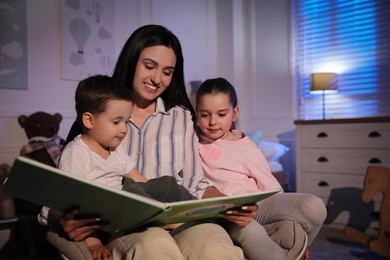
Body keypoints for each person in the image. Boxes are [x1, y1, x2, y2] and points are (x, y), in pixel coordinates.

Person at [46, 25, 253, 260]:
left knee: (213, 243)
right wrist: (62, 219)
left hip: (178, 219)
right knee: (154, 245)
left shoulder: (182, 117)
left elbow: (195, 182)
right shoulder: (99, 119)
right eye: (149, 66)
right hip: (128, 227)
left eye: (167, 71)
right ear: (132, 61)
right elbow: (59, 191)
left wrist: (231, 206)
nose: (157, 79)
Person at [54, 75, 197, 259]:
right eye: (116, 122)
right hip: (100, 222)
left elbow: (140, 180)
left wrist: (155, 200)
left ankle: (176, 214)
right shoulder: (76, 154)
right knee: (133, 197)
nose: (124, 129)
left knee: (161, 186)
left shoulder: (115, 150)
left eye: (126, 121)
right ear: (89, 120)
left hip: (121, 212)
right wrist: (94, 242)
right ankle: (162, 221)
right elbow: (75, 207)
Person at [195, 77, 327, 260]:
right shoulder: (193, 141)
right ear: (196, 114)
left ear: (235, 113)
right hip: (228, 213)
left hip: (259, 205)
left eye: (221, 114)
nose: (212, 122)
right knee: (254, 233)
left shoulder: (246, 146)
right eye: (204, 115)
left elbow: (270, 187)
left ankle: (300, 245)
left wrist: (279, 214)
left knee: (314, 206)